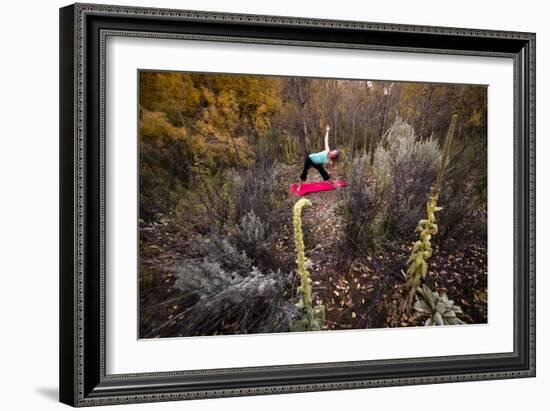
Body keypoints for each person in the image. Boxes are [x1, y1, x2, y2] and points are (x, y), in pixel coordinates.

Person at [297, 125, 340, 191]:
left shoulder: (330, 161)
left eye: (334, 152)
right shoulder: (327, 150)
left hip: (316, 163)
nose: (332, 151)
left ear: (334, 156)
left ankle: (331, 183)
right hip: (310, 159)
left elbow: (331, 171)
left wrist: (332, 178)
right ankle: (299, 185)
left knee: (323, 172)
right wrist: (327, 131)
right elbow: (326, 140)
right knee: (305, 172)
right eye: (333, 150)